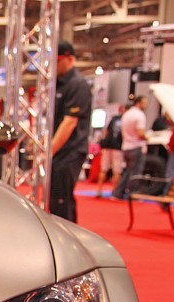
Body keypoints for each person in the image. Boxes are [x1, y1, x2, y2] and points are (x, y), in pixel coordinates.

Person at [49, 41, 92, 221]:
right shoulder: (58, 84)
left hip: (70, 152)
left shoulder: (77, 84)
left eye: (58, 61)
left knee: (62, 202)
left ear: (70, 59)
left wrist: (48, 151)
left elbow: (69, 122)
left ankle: (65, 235)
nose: (54, 65)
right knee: (55, 200)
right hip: (59, 152)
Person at [111, 96, 148, 200]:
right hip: (136, 146)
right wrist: (148, 138)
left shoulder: (126, 114)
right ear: (139, 103)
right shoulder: (139, 115)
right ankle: (133, 194)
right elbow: (140, 133)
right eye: (145, 102)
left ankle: (118, 192)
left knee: (128, 171)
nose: (146, 105)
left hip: (126, 146)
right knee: (136, 172)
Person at [95, 105, 124, 198]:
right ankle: (115, 191)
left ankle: (99, 190)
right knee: (117, 171)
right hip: (117, 147)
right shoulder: (125, 120)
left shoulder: (114, 119)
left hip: (107, 146)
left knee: (104, 169)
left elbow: (106, 132)